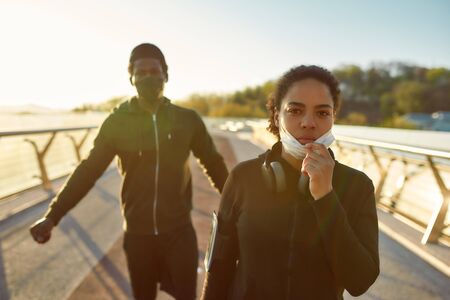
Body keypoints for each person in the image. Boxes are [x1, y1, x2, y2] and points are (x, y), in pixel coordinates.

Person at [29, 43, 229, 300]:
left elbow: (213, 163)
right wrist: (53, 215)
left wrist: (243, 207)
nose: (148, 77)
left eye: (154, 71)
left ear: (165, 75)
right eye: (141, 72)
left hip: (179, 233)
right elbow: (89, 170)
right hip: (137, 237)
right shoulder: (117, 122)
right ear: (131, 78)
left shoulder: (186, 119)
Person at [201, 65, 379, 299]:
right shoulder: (243, 177)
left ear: (333, 117)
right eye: (295, 111)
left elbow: (359, 282)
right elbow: (218, 270)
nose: (308, 122)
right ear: (277, 115)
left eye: (322, 113)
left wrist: (326, 198)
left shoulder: (358, 186)